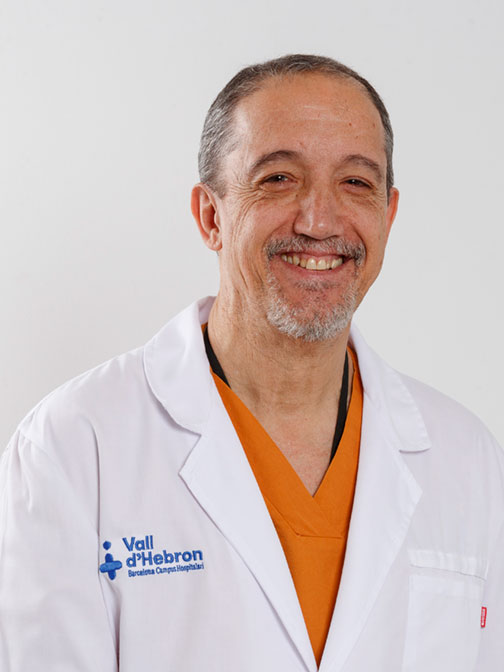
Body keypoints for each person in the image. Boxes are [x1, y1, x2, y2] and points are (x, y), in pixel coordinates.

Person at [0, 54, 503, 672]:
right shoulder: (76, 447)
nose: (319, 221)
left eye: (355, 183)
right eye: (278, 178)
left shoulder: (467, 459)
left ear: (388, 215)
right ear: (211, 216)